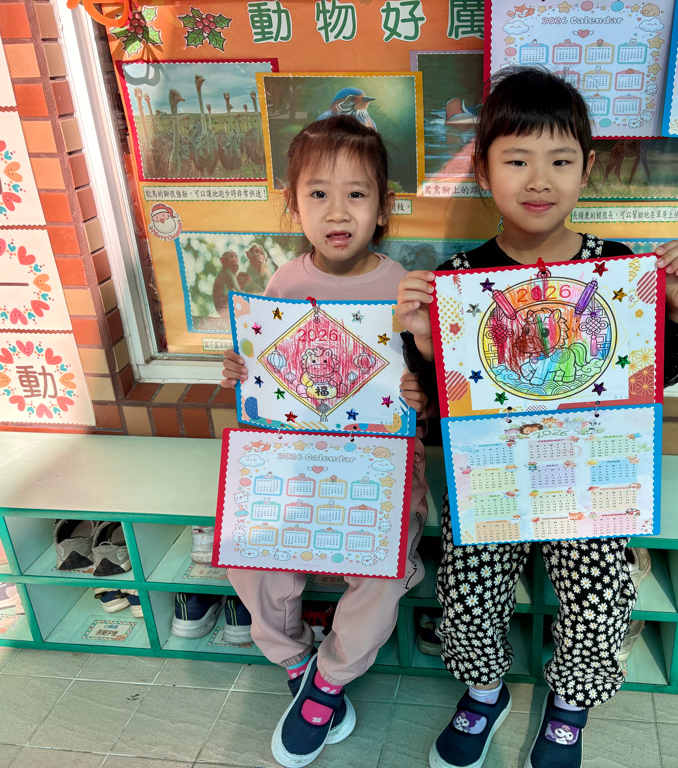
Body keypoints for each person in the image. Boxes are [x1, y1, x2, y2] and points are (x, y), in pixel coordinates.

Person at [396, 67, 678, 768]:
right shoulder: (459, 279)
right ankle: (485, 692)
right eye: (516, 160)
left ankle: (569, 707)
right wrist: (424, 345)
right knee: (466, 594)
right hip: (493, 479)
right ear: (483, 170)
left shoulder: (618, 269)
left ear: (586, 170)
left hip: (590, 480)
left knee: (602, 599)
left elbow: (658, 377)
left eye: (560, 160)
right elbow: (444, 410)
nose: (539, 179)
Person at [220, 115, 429, 768]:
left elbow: (429, 384)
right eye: (318, 193)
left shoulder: (402, 289)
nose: (337, 211)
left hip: (381, 468)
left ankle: (331, 677)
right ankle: (293, 659)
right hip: (297, 461)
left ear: (383, 207)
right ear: (294, 204)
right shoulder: (284, 285)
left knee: (382, 571)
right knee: (251, 549)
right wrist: (241, 370)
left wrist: (421, 393)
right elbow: (270, 378)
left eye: (356, 194)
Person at [212, 250, 242, 319]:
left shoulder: (229, 273)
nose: (235, 260)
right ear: (224, 261)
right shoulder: (228, 271)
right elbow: (239, 293)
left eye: (236, 257)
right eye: (231, 257)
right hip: (225, 306)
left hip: (224, 307)